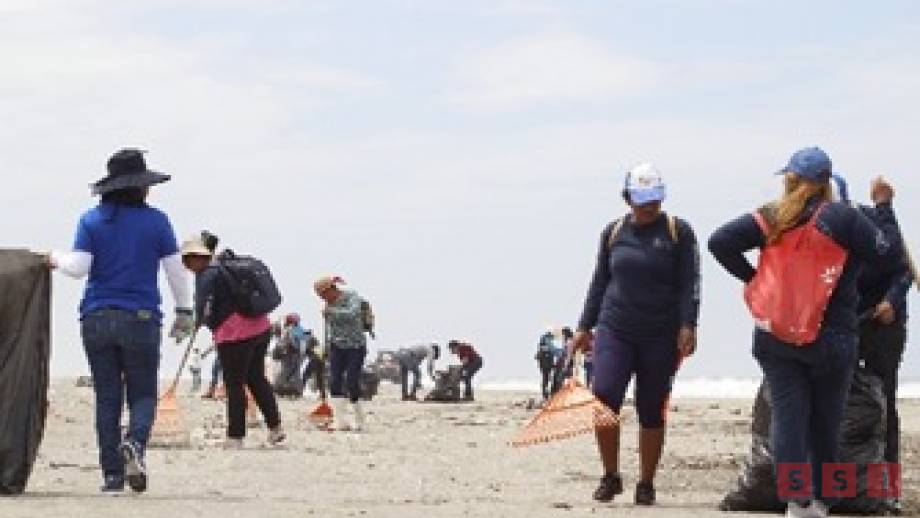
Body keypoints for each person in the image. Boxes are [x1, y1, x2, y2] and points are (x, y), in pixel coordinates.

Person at [708, 147, 903, 518]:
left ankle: (796, 502)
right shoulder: (843, 218)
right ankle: (823, 502)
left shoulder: (771, 217)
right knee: (827, 422)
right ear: (827, 182)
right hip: (833, 337)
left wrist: (756, 279)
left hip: (777, 334)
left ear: (791, 180)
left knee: (788, 420)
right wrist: (883, 207)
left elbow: (720, 242)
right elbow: (887, 254)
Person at [48, 148, 193, 493]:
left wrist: (52, 257)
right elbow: (175, 271)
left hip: (96, 317)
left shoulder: (91, 220)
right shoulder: (157, 221)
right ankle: (136, 445)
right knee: (143, 394)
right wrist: (184, 311)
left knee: (107, 397)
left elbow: (78, 268)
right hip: (142, 317)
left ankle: (112, 477)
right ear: (143, 186)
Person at [573, 162, 700, 506]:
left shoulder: (678, 231)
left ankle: (646, 482)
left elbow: (690, 282)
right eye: (643, 199)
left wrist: (689, 324)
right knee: (604, 396)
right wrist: (584, 327)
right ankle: (610, 475)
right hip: (616, 329)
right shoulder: (613, 232)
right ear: (627, 198)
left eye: (655, 198)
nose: (650, 206)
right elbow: (600, 280)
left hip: (660, 333)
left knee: (651, 407)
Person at [181, 233, 285, 447]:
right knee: (256, 378)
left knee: (234, 384)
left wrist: (198, 322)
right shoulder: (226, 266)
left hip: (234, 334)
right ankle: (275, 428)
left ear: (196, 257)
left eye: (187, 259)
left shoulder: (207, 274)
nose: (186, 265)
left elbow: (202, 307)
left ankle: (235, 436)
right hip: (260, 327)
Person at [850, 178, 913, 487]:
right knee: (837, 400)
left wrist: (891, 301)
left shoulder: (872, 224)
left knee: (884, 399)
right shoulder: (816, 230)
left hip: (884, 324)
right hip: (844, 324)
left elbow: (903, 268)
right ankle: (843, 482)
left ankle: (888, 483)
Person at [314, 276, 370, 431]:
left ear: (332, 288)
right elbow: (331, 328)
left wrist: (331, 311)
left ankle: (360, 419)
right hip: (336, 346)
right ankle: (341, 421)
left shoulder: (352, 296)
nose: (323, 298)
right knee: (334, 381)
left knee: (352, 381)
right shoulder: (328, 304)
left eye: (323, 295)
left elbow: (352, 313)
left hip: (356, 346)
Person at [272, 313, 309, 397]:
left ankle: (282, 388)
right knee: (292, 371)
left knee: (288, 371)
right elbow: (296, 341)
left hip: (289, 353)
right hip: (291, 353)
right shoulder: (291, 330)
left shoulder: (287, 329)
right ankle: (287, 388)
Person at [535, 329, 559, 399]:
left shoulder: (541, 347)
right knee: (547, 379)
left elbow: (537, 357)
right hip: (547, 364)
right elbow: (554, 351)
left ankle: (545, 393)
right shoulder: (548, 344)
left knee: (545, 379)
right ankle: (546, 394)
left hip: (543, 365)